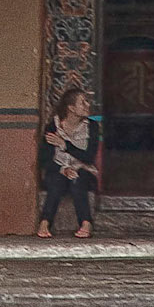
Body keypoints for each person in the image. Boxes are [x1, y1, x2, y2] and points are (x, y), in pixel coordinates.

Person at [38, 86, 99, 239]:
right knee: (56, 182)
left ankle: (86, 223)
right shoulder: (53, 127)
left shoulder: (92, 126)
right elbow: (45, 159)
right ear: (71, 108)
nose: (87, 105)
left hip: (83, 170)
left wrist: (65, 145)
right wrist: (63, 169)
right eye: (83, 102)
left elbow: (88, 157)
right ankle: (45, 223)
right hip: (58, 171)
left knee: (77, 180)